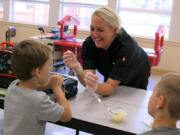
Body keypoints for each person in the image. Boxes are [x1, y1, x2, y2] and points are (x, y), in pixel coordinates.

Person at [63, 6, 150, 96]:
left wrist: (97, 86)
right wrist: (78, 69)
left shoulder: (126, 48)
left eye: (100, 30)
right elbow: (88, 81)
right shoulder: (89, 44)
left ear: (114, 30)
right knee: (109, 97)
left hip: (136, 72)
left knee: (131, 99)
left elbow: (110, 88)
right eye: (92, 29)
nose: (95, 34)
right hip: (112, 66)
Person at [3, 40, 72, 135]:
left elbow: (30, 89)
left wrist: (48, 85)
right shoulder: (39, 100)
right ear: (38, 72)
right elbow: (66, 116)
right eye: (49, 66)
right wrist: (57, 88)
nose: (50, 70)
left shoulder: (13, 85)